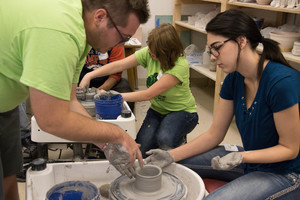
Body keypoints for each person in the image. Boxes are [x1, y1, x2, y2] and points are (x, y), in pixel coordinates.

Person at [0, 0, 150, 199]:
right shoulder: (60, 30)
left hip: (5, 105)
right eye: (123, 37)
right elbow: (51, 120)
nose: (121, 45)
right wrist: (117, 135)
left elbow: (71, 102)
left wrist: (106, 144)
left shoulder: (83, 32)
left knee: (8, 177)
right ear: (100, 16)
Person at [144, 10, 300, 199]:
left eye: (217, 47)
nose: (212, 56)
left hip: (285, 172)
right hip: (252, 158)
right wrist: (171, 155)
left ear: (242, 41)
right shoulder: (234, 79)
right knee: (172, 164)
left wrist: (243, 157)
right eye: (211, 50)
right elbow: (213, 134)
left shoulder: (281, 82)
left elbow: (290, 149)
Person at [79, 23, 199, 158]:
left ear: (166, 52)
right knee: (141, 150)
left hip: (182, 111)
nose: (149, 53)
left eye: (154, 52)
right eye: (150, 49)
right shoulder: (149, 52)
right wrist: (90, 75)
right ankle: (166, 132)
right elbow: (120, 64)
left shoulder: (180, 65)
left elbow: (148, 94)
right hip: (158, 110)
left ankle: (179, 140)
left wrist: (113, 96)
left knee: (164, 140)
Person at [79, 46, 134, 112]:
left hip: (107, 82)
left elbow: (115, 75)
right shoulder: (79, 42)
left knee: (125, 88)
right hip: (81, 82)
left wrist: (98, 91)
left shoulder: (116, 41)